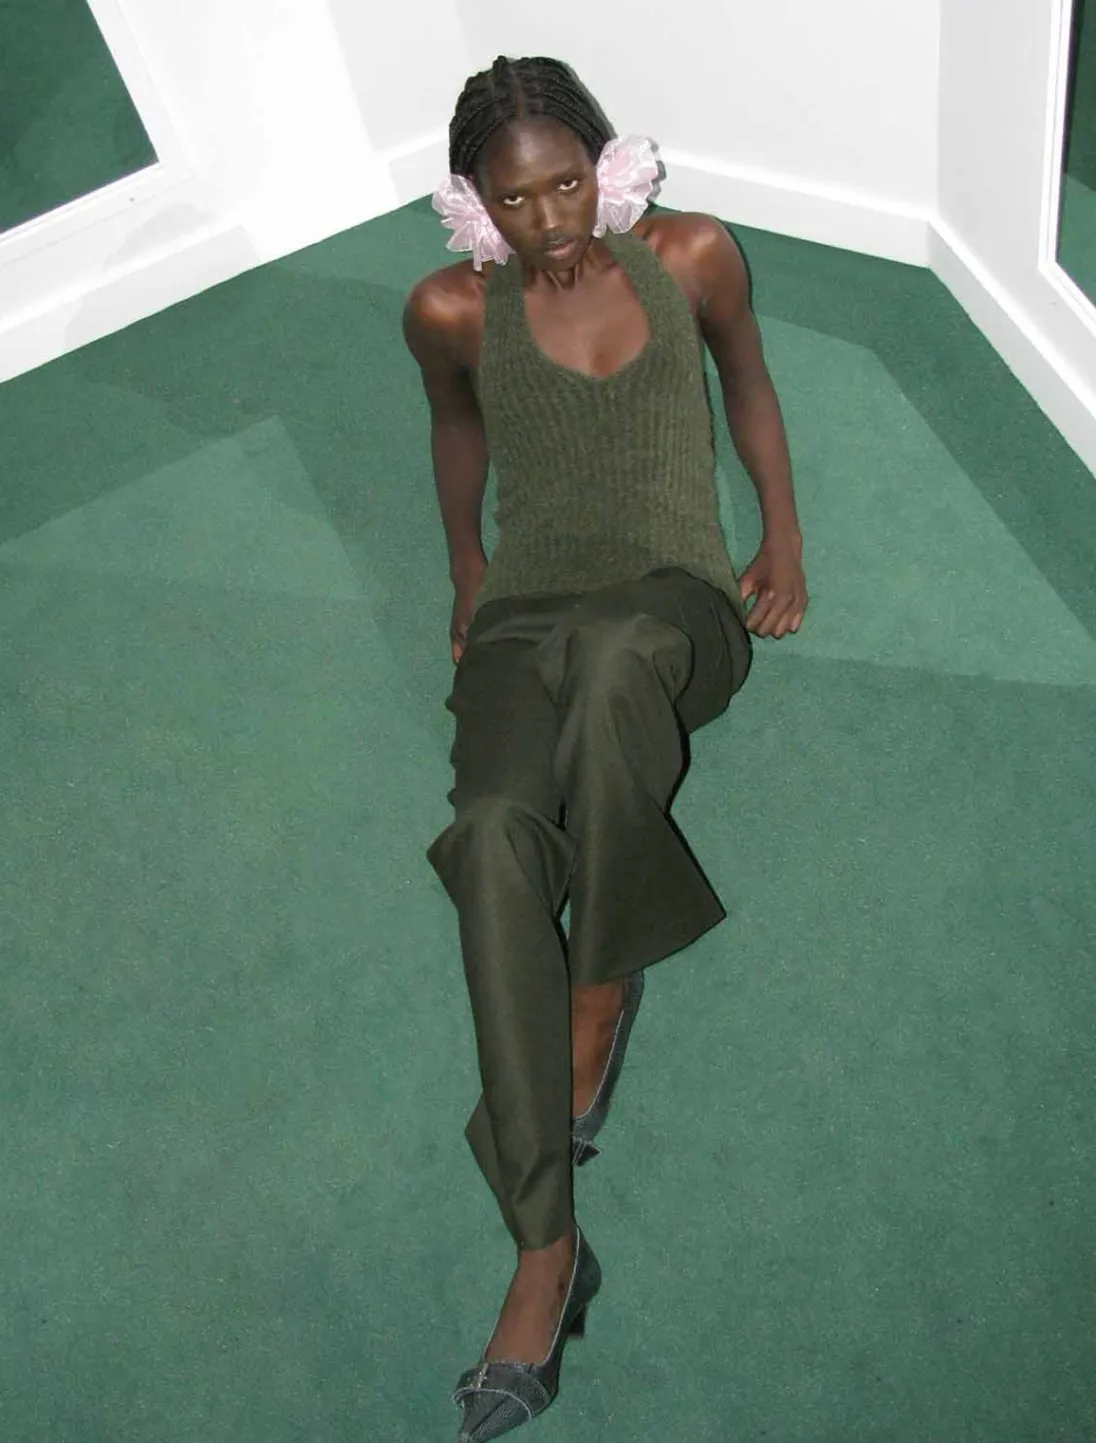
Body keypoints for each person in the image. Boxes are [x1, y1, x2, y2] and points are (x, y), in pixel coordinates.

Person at [402, 54, 808, 1442]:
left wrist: (782, 538)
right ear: (477, 200)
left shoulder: (688, 257)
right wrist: (467, 571)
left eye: (568, 183)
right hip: (531, 615)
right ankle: (544, 1245)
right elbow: (456, 432)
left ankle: (601, 975)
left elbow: (749, 383)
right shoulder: (451, 308)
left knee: (621, 663)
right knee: (492, 840)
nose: (551, 220)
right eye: (516, 200)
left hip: (670, 608)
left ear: (604, 161)